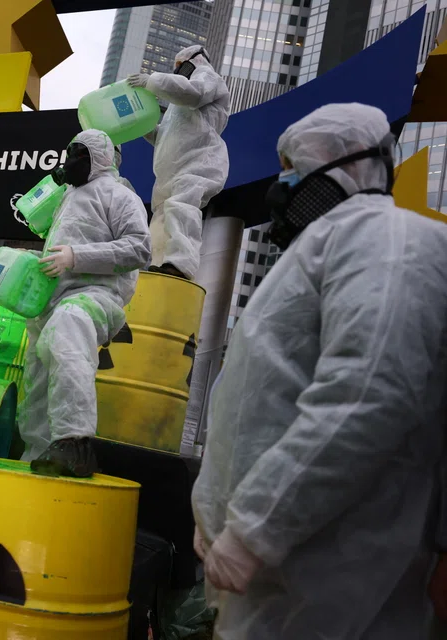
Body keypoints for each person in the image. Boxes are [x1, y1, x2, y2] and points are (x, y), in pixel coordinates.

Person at [191, 103, 447, 638]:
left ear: (349, 162)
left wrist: (255, 529)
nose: (282, 181)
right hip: (277, 586)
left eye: (294, 165)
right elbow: (261, 399)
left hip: (338, 583)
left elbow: (367, 395)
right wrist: (212, 512)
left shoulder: (388, 242)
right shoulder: (320, 250)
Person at [21, 129, 151, 477]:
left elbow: (140, 248)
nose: (70, 161)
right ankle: (37, 454)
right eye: (69, 153)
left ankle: (74, 442)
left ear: (101, 158)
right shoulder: (66, 197)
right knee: (37, 377)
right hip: (51, 301)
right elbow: (47, 232)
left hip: (94, 296)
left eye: (80, 154)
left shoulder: (118, 195)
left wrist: (76, 257)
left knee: (67, 334)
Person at [127, 46, 230, 280]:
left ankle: (181, 264)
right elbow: (166, 137)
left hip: (198, 162)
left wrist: (152, 81)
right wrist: (145, 127)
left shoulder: (207, 77)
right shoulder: (176, 109)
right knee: (162, 217)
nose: (177, 70)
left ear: (195, 61)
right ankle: (158, 264)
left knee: (181, 208)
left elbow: (193, 93)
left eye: (180, 65)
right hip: (170, 171)